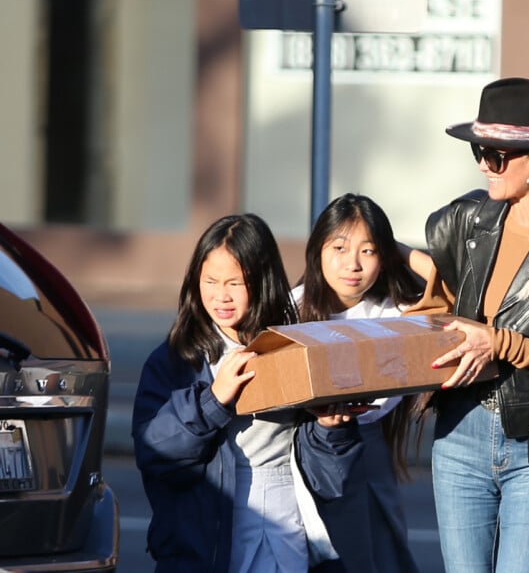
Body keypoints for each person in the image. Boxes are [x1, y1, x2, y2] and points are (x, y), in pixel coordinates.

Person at [407, 77, 529, 572]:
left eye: (496, 153)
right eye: (478, 150)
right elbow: (428, 314)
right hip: (459, 432)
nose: (483, 163)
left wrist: (499, 342)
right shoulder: (465, 222)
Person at [132, 213, 363, 573]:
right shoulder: (175, 360)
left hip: (287, 517)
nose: (220, 296)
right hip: (207, 531)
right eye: (209, 281)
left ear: (263, 282)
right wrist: (213, 400)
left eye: (234, 284)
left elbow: (330, 481)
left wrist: (331, 430)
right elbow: (155, 453)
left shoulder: (294, 348)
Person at [293, 193, 427, 573]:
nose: (352, 264)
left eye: (368, 251)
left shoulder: (396, 313)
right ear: (317, 249)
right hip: (297, 449)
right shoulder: (289, 309)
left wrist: (395, 248)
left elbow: (447, 286)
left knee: (374, 560)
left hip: (366, 453)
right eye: (339, 247)